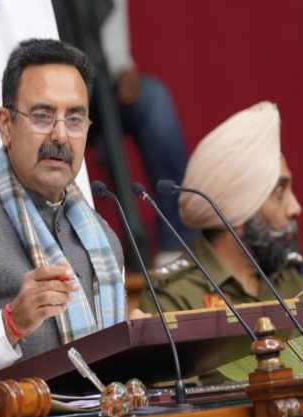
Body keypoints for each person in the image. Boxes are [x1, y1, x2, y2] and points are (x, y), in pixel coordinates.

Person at [0, 39, 137, 391]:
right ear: (6, 125)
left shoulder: (102, 238)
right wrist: (10, 325)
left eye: (74, 119)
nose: (60, 135)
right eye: (43, 116)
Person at [139, 101, 303, 360]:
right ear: (239, 210)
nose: (295, 207)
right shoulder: (175, 296)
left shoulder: (294, 280)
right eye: (279, 193)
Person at [52, 0, 193, 265]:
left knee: (154, 100)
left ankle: (176, 241)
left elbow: (109, 17)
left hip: (101, 80)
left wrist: (121, 67)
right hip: (51, 82)